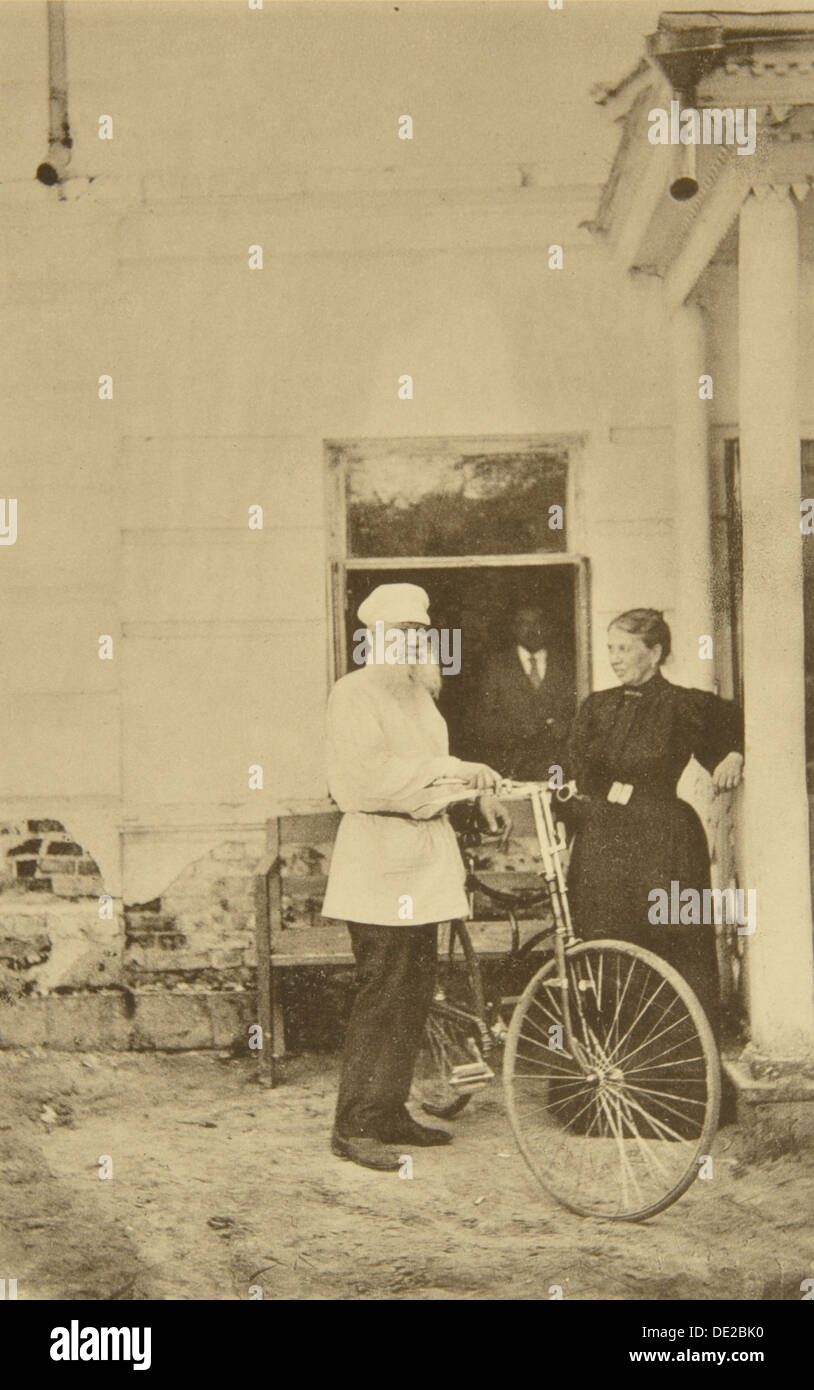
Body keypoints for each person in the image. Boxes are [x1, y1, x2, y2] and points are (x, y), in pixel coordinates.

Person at [322, 582, 510, 1172]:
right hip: (378, 860)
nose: (410, 642)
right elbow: (367, 779)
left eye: (418, 633)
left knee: (414, 992)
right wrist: (456, 771)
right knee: (382, 992)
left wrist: (473, 795)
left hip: (423, 862)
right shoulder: (354, 694)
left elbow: (431, 778)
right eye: (398, 633)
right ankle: (352, 1127)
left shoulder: (421, 697)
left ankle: (388, 1110)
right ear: (374, 639)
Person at [565, 608, 744, 1031]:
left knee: (671, 940)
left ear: (655, 652)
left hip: (664, 839)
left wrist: (734, 754)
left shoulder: (685, 705)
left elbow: (735, 726)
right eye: (610, 648)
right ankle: (607, 1065)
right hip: (602, 838)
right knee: (604, 942)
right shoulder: (596, 707)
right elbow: (571, 775)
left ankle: (678, 1068)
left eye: (625, 648)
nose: (614, 657)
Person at [470, 605, 575, 780]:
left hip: (556, 764)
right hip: (511, 764)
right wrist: (519, 730)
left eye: (537, 623)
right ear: (514, 628)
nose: (531, 629)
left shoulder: (566, 664)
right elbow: (482, 719)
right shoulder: (496, 666)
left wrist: (559, 728)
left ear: (548, 626)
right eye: (523, 623)